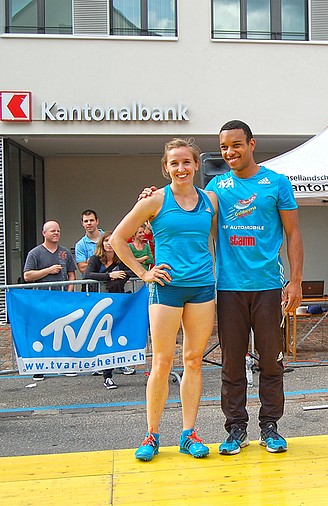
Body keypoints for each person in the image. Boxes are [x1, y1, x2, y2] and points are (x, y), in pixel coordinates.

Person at [111, 138, 218, 461]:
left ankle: (188, 434)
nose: (181, 168)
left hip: (202, 287)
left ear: (197, 165)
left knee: (194, 361)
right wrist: (143, 273)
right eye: (174, 163)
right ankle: (152, 435)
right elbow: (117, 238)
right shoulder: (154, 201)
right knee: (161, 362)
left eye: (187, 162)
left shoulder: (211, 198)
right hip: (166, 288)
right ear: (165, 167)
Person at [206, 120, 303, 455]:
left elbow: (293, 234)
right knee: (231, 364)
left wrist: (296, 279)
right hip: (229, 289)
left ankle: (270, 427)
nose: (230, 152)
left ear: (251, 144)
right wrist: (154, 197)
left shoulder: (276, 183)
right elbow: (188, 206)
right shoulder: (217, 186)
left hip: (267, 288)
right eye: (224, 147)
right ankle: (236, 430)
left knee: (271, 363)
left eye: (236, 144)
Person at [23, 221, 77, 380]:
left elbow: (72, 274)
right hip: (42, 300)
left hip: (61, 299)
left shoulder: (65, 253)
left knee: (64, 332)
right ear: (44, 233)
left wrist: (69, 292)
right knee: (41, 332)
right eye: (53, 231)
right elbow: (27, 276)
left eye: (58, 231)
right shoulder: (35, 253)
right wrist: (48, 270)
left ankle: (64, 364)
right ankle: (39, 366)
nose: (56, 233)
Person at [83, 231, 136, 389]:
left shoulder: (121, 258)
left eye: (111, 241)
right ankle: (106, 374)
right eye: (106, 241)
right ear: (101, 243)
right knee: (104, 337)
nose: (108, 243)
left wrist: (121, 274)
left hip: (118, 304)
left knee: (117, 335)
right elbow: (87, 275)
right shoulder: (95, 259)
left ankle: (120, 363)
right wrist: (109, 275)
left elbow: (133, 271)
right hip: (99, 304)